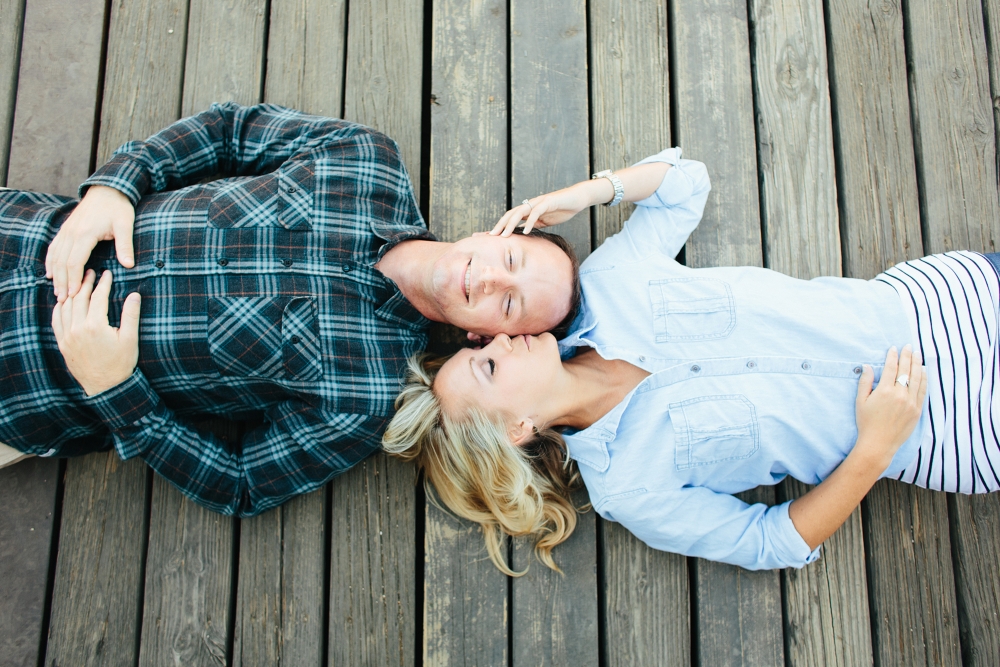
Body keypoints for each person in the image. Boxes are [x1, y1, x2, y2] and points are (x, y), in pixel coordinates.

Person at [383, 148, 1000, 574]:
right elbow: (771, 542)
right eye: (488, 368)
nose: (494, 342)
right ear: (517, 431)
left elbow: (685, 185)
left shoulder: (610, 281)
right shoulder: (632, 489)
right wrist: (874, 451)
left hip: (951, 301)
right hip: (957, 430)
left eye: (479, 348)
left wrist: (584, 194)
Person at [0, 102, 579, 516]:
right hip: (22, 234)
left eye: (510, 304)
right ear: (496, 231)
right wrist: (117, 186)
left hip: (25, 378)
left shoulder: (363, 396)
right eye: (511, 257)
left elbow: (242, 483)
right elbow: (230, 132)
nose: (493, 278)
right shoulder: (364, 160)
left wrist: (115, 390)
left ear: (484, 337)